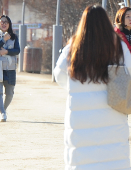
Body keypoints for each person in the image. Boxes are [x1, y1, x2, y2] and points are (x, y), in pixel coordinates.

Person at [54, 5, 131, 169]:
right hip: (113, 110)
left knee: (83, 161)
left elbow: (59, 74)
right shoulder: (118, 46)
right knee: (113, 159)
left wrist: (75, 88)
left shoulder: (73, 47)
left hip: (80, 116)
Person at [0, 15, 20, 122]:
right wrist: (3, 39)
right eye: (1, 22)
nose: (3, 24)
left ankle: (3, 109)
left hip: (10, 68)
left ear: (9, 24)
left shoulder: (14, 37)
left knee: (10, 93)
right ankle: (3, 113)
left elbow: (17, 50)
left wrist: (6, 52)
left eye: (6, 22)